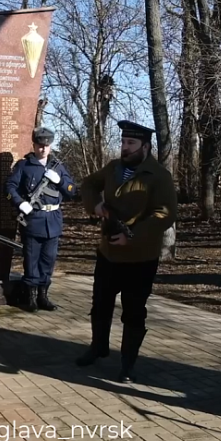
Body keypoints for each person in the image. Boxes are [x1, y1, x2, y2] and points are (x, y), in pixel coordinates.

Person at [75, 120, 177, 384]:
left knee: (133, 312)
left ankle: (128, 364)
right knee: (100, 305)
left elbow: (164, 214)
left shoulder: (159, 176)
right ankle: (98, 347)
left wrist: (132, 235)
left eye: (131, 143)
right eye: (123, 142)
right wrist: (95, 206)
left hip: (140, 257)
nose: (125, 148)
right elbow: (87, 184)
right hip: (108, 253)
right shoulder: (113, 168)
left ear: (145, 146)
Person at [5, 127, 76, 312]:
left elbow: (72, 191)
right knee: (32, 260)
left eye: (46, 145)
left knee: (48, 260)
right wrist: (20, 203)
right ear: (34, 145)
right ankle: (30, 297)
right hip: (33, 219)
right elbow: (10, 187)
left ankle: (43, 296)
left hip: (53, 220)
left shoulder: (58, 167)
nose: (43, 149)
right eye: (39, 145)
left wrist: (60, 182)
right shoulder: (24, 166)